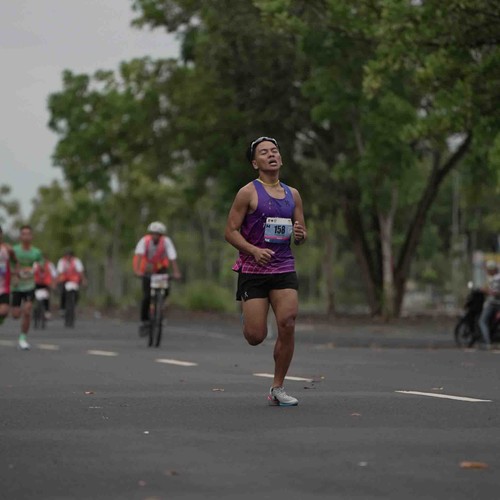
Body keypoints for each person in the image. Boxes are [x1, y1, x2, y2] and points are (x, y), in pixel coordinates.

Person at [224, 136, 307, 406]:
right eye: (264, 152)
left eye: (274, 151)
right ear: (254, 163)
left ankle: (277, 387)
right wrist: (253, 250)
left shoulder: (293, 195)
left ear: (280, 158)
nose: (271, 155)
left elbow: (300, 233)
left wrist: (300, 235)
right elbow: (230, 231)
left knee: (288, 323)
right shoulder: (247, 193)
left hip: (283, 266)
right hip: (254, 269)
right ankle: (250, 318)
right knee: (255, 336)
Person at [133, 221, 182, 335]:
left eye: (157, 234)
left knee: (166, 290)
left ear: (161, 235)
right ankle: (144, 320)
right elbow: (138, 256)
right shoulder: (144, 241)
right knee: (146, 296)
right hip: (147, 269)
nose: (155, 236)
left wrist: (176, 272)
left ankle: (159, 308)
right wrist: (137, 271)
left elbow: (172, 258)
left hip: (160, 269)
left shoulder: (166, 242)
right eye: (153, 234)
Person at [11, 225, 43, 350]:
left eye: (28, 234)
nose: (26, 236)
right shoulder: (14, 250)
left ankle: (23, 339)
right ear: (20, 236)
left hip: (30, 285)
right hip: (17, 286)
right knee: (15, 315)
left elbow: (41, 265)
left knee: (27, 310)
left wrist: (38, 267)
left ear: (32, 236)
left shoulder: (36, 252)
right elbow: (8, 264)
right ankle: (15, 311)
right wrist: (15, 273)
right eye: (23, 234)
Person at [478, 260, 500, 349]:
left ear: (493, 270)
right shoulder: (494, 278)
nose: (487, 271)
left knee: (482, 321)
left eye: (488, 270)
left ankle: (487, 343)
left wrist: (485, 290)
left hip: (493, 303)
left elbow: (494, 292)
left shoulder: (496, 279)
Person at [0, 225, 18, 327]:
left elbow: (15, 261)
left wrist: (15, 273)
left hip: (4, 286)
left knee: (4, 312)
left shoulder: (7, 249)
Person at [57, 249, 85, 313]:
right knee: (63, 292)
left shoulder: (76, 261)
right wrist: (58, 280)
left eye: (69, 255)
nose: (68, 257)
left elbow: (80, 271)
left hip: (74, 280)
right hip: (65, 280)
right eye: (67, 255)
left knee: (76, 293)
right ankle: (62, 308)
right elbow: (60, 272)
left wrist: (83, 279)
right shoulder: (62, 261)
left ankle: (74, 305)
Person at [33, 254, 58, 319]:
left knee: (46, 296)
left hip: (46, 283)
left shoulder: (50, 265)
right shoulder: (35, 265)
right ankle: (35, 310)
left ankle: (47, 311)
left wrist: (54, 284)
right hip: (37, 283)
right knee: (35, 296)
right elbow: (31, 273)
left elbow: (54, 275)